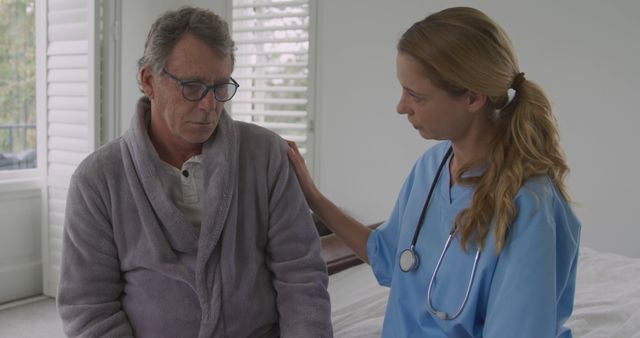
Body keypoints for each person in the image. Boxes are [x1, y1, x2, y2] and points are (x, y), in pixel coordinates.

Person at [287, 6, 581, 338]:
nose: (401, 107)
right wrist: (312, 195)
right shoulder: (432, 166)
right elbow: (389, 256)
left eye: (416, 96)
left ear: (472, 97)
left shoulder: (531, 205)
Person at [57, 7, 332, 338]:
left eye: (220, 87)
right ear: (149, 81)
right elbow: (89, 309)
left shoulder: (267, 156)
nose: (209, 105)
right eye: (192, 87)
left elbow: (302, 277)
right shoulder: (98, 180)